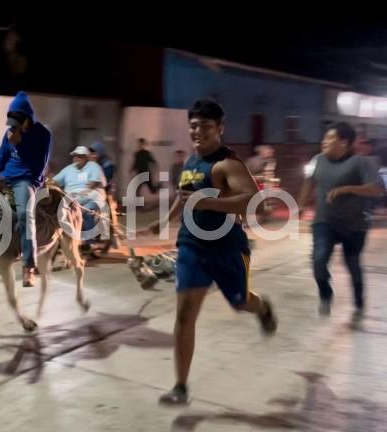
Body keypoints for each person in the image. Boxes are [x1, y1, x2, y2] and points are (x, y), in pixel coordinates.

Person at [148, 100, 277, 405]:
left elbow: (253, 201)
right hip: (192, 246)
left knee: (240, 301)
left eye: (205, 126)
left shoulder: (227, 163)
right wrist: (164, 221)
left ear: (220, 128)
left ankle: (262, 308)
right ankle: (180, 386)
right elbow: (186, 198)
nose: (198, 131)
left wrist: (209, 203)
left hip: (227, 249)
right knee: (184, 315)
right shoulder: (192, 161)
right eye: (194, 125)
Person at [298, 122, 385, 323]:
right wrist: (301, 206)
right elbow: (309, 182)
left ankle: (359, 303)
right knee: (318, 262)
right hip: (324, 221)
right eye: (325, 138)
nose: (324, 141)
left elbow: (378, 189)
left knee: (352, 264)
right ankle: (326, 294)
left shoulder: (361, 162)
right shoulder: (317, 160)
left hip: (354, 224)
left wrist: (347, 189)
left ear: (344, 142)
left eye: (330, 138)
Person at [0, 91, 52, 288]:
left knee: (25, 216)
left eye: (18, 122)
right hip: (5, 178)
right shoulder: (8, 134)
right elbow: (0, 162)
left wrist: (21, 144)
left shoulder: (43, 135)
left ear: (28, 118)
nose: (14, 127)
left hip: (26, 180)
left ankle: (29, 267)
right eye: (12, 123)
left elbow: (38, 167)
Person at [53, 146, 107, 244]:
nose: (76, 158)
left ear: (86, 157)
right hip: (71, 199)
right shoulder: (69, 169)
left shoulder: (93, 167)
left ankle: (89, 242)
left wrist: (78, 195)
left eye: (80, 156)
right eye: (75, 156)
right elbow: (55, 180)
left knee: (83, 212)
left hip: (92, 198)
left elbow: (93, 184)